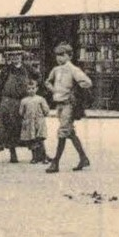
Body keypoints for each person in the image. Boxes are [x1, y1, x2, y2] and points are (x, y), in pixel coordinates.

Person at [44, 42, 92, 173]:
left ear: (69, 56)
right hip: (59, 104)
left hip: (68, 105)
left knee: (63, 131)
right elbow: (47, 81)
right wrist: (53, 90)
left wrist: (74, 91)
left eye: (62, 55)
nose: (59, 58)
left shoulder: (73, 69)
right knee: (69, 132)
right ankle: (83, 158)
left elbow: (87, 82)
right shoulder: (56, 69)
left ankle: (55, 162)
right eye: (57, 55)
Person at [0, 55, 30, 163]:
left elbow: (38, 76)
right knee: (9, 128)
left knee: (30, 126)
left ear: (21, 56)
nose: (15, 58)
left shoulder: (27, 68)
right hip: (8, 102)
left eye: (18, 55)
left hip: (23, 101)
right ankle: (13, 154)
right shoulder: (6, 70)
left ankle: (39, 153)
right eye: (13, 56)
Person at [19, 78, 50, 164]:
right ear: (26, 89)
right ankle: (34, 157)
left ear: (36, 88)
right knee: (32, 140)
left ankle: (44, 158)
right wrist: (25, 118)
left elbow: (46, 110)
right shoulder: (24, 101)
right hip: (29, 123)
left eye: (33, 88)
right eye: (29, 89)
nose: (31, 90)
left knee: (40, 139)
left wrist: (42, 116)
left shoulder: (40, 99)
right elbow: (21, 112)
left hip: (39, 122)